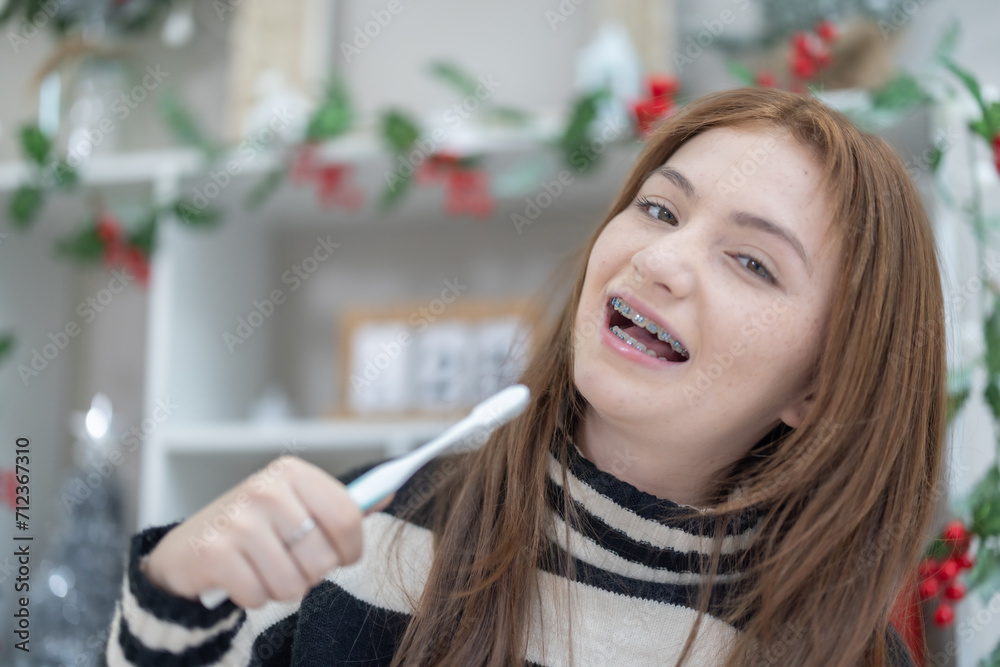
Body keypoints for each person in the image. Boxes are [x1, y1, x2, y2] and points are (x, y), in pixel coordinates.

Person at [104, 87, 943, 666]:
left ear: (818, 388)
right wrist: (179, 581)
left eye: (752, 262)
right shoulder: (379, 531)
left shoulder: (845, 651)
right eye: (659, 208)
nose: (661, 260)